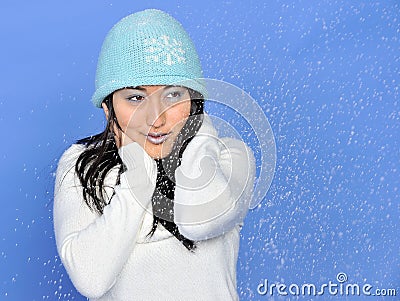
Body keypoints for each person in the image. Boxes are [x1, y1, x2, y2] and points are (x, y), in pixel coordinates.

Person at [53, 9, 256, 301]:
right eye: (136, 98)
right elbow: (91, 278)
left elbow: (199, 222)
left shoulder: (230, 157)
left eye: (173, 95)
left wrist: (200, 134)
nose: (156, 119)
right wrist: (138, 173)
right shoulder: (81, 166)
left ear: (193, 99)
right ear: (109, 108)